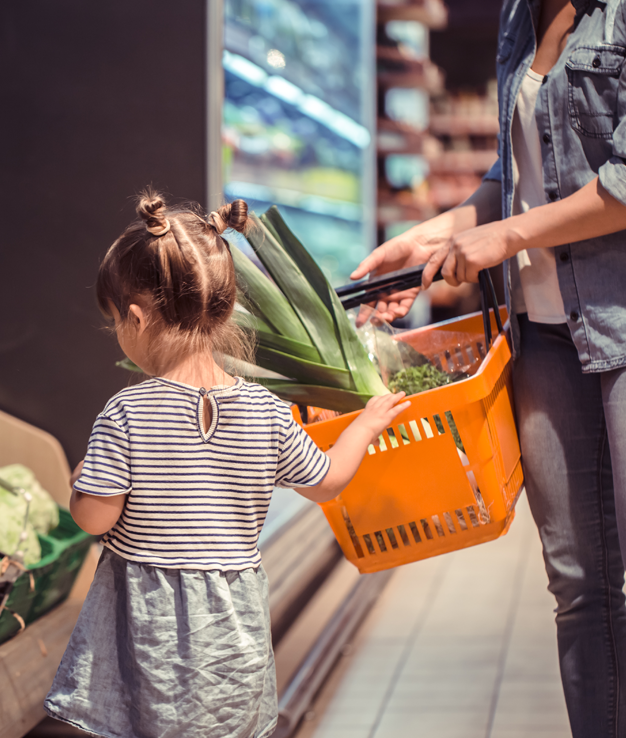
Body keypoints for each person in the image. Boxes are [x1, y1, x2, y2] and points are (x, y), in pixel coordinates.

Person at [352, 1, 626, 735]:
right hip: (542, 336)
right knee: (578, 586)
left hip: (621, 327)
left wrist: (507, 237)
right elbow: (517, 173)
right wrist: (429, 239)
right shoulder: (517, 17)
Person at [43, 191, 410, 738]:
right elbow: (328, 482)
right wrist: (365, 424)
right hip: (231, 636)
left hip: (151, 636)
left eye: (116, 318)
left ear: (137, 318)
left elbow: (96, 517)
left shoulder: (125, 412)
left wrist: (81, 485)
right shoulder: (266, 408)